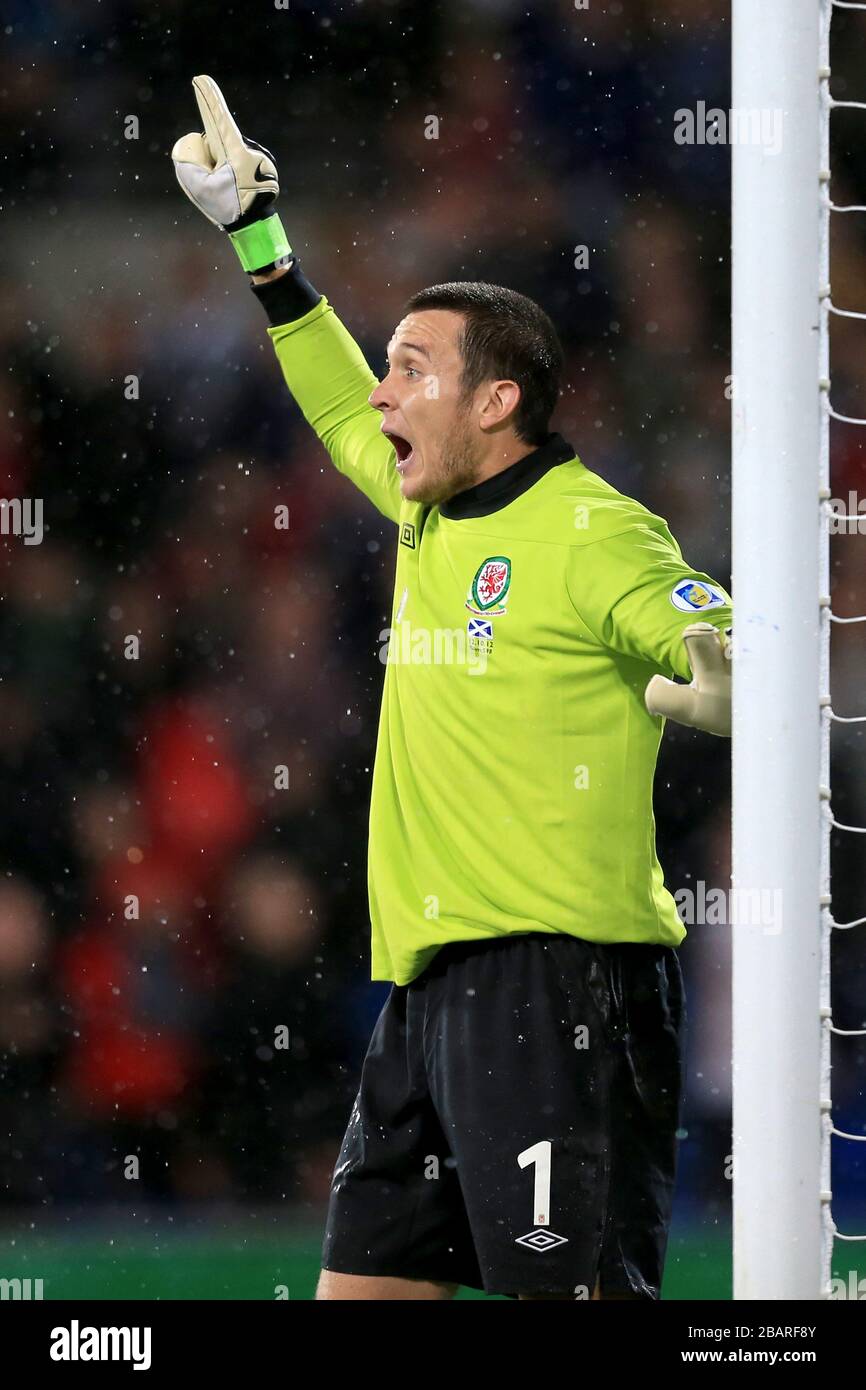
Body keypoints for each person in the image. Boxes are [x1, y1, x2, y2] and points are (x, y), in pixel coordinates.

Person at [172, 76, 733, 1301]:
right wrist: (259, 242)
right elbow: (328, 399)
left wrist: (712, 687)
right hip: (428, 987)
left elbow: (722, 650)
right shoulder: (428, 507)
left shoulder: (596, 533)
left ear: (497, 402)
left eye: (411, 369)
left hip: (558, 980)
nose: (381, 391)